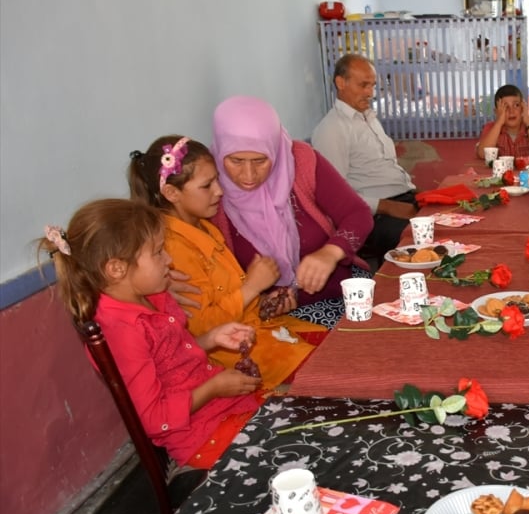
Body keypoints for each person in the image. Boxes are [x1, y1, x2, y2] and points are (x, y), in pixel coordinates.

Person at [41, 199, 263, 469]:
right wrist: (213, 388)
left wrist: (211, 339)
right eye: (158, 253)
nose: (168, 261)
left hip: (223, 409)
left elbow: (170, 357)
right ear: (116, 269)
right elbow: (154, 419)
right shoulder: (121, 331)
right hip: (200, 435)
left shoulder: (154, 297)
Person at [129, 135, 323, 390]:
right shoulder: (172, 249)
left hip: (259, 331)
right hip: (232, 351)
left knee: (341, 346)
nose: (219, 191)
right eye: (207, 185)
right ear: (171, 192)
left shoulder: (204, 228)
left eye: (217, 180)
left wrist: (265, 303)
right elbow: (203, 329)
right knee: (331, 371)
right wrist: (251, 288)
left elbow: (226, 296)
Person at [211, 95, 374, 328]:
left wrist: (331, 252)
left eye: (260, 161)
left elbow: (358, 214)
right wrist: (259, 302)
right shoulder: (208, 190)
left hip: (343, 291)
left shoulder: (300, 161)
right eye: (236, 161)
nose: (248, 175)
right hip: (277, 321)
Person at [311, 53, 418, 263]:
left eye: (373, 85)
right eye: (363, 85)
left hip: (402, 198)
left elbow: (386, 167)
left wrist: (415, 192)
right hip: (373, 216)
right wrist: (387, 206)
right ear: (340, 83)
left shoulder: (367, 118)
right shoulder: (331, 130)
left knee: (453, 219)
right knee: (423, 239)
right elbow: (335, 196)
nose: (370, 92)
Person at [475, 84, 529, 160]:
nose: (511, 111)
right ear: (496, 112)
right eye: (505, 107)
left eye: (516, 105)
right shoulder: (490, 128)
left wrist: (528, 123)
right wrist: (499, 123)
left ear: (523, 108)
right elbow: (482, 154)